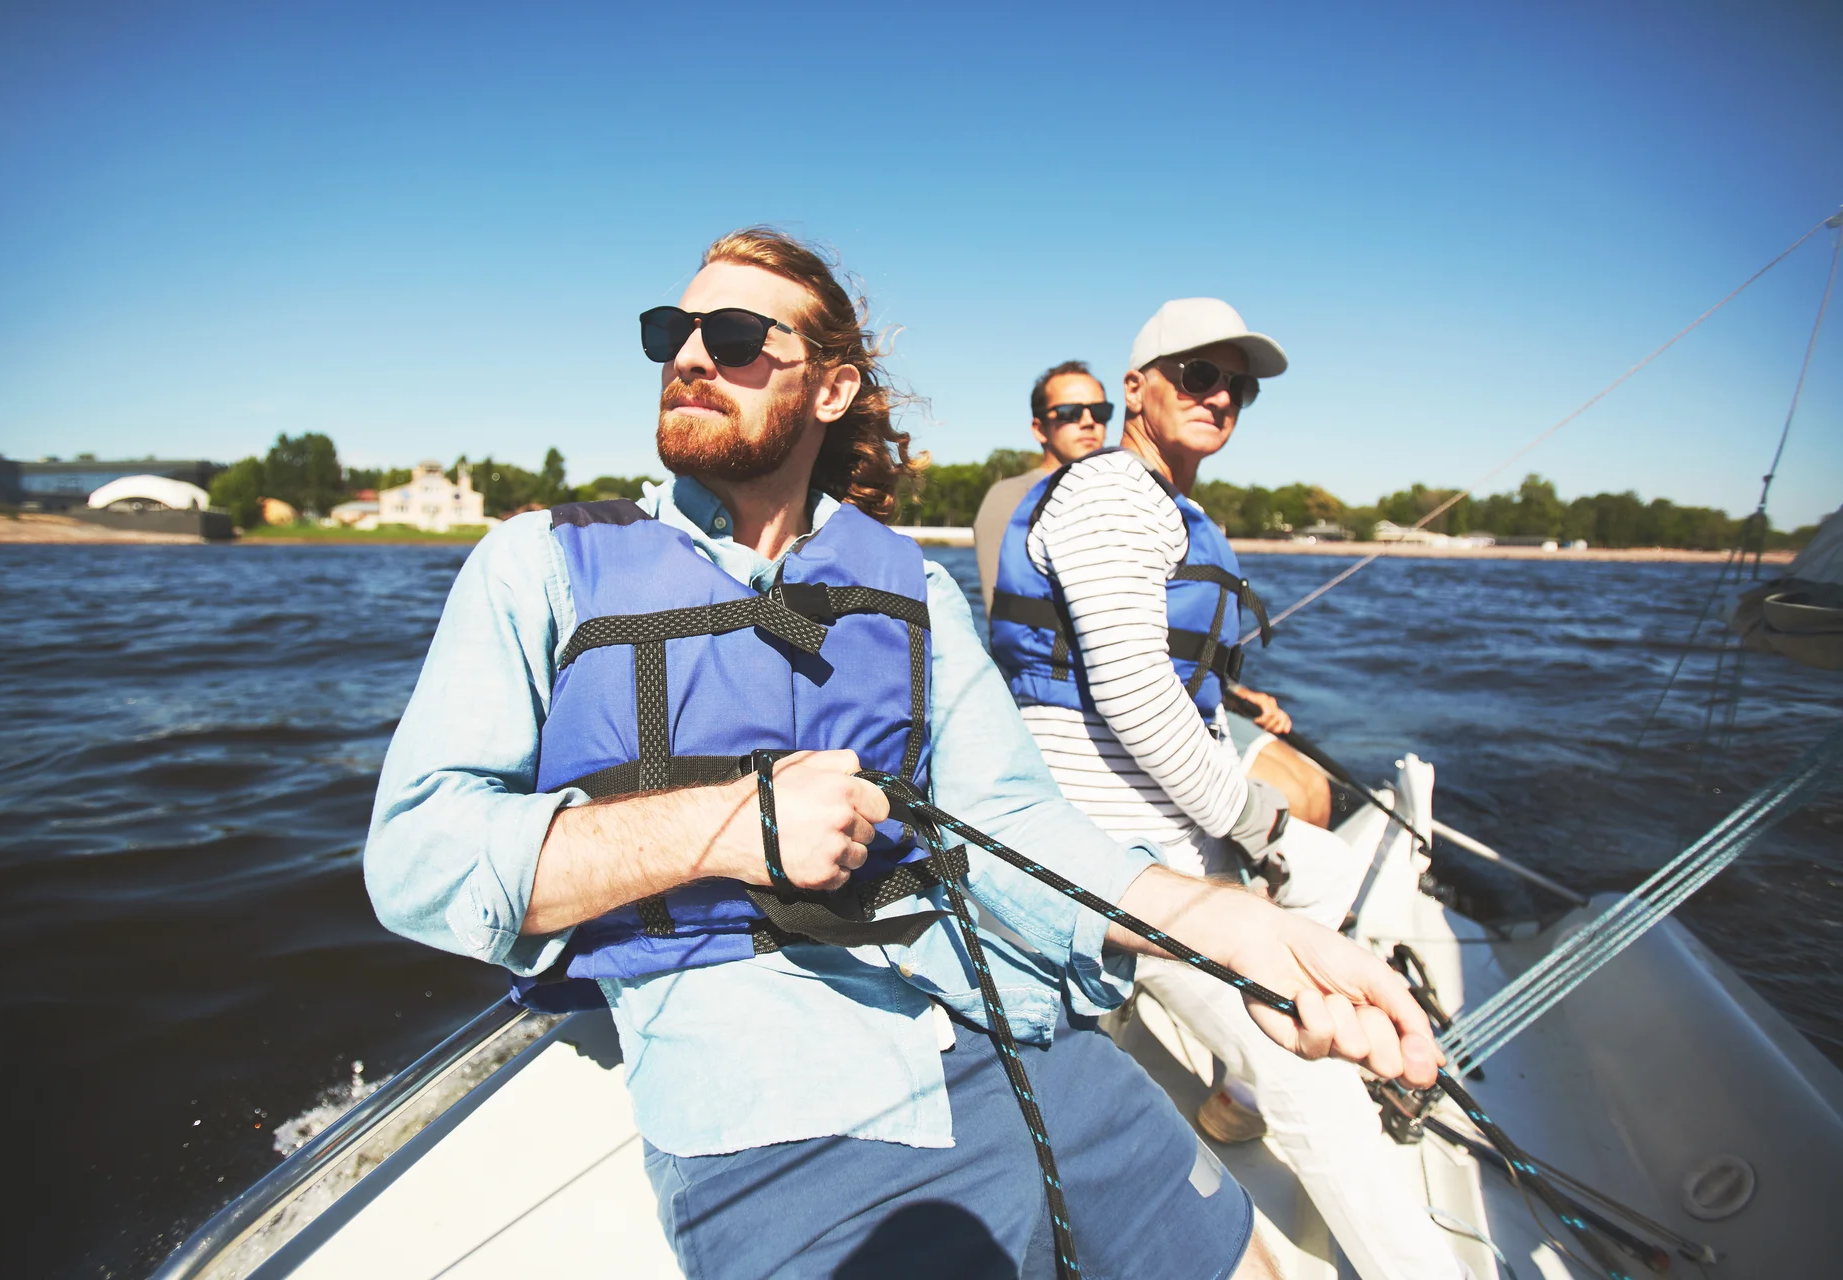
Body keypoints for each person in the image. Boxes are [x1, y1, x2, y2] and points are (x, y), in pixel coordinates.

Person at [364, 232, 1442, 1280]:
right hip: (780, 1119)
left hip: (1011, 1027)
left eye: (736, 335)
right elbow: (416, 859)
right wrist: (723, 825)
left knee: (1247, 1259)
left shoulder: (912, 589)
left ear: (828, 392)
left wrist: (1226, 930)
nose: (690, 355)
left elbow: (1019, 823)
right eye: (672, 331)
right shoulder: (538, 565)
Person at [988, 297, 1467, 1280]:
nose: (1221, 396)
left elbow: (1166, 673)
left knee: (1325, 883)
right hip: (1117, 857)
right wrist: (1265, 828)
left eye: (1238, 385)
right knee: (1320, 1086)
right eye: (1197, 374)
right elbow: (1129, 688)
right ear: (1136, 387)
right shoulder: (1115, 494)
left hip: (1162, 841)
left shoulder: (1170, 506)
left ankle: (1231, 1095)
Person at [972, 360, 1110, 614]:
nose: (1089, 421)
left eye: (1100, 411)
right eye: (1070, 412)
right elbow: (1003, 614)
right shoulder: (1010, 498)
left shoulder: (1124, 493)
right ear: (1039, 429)